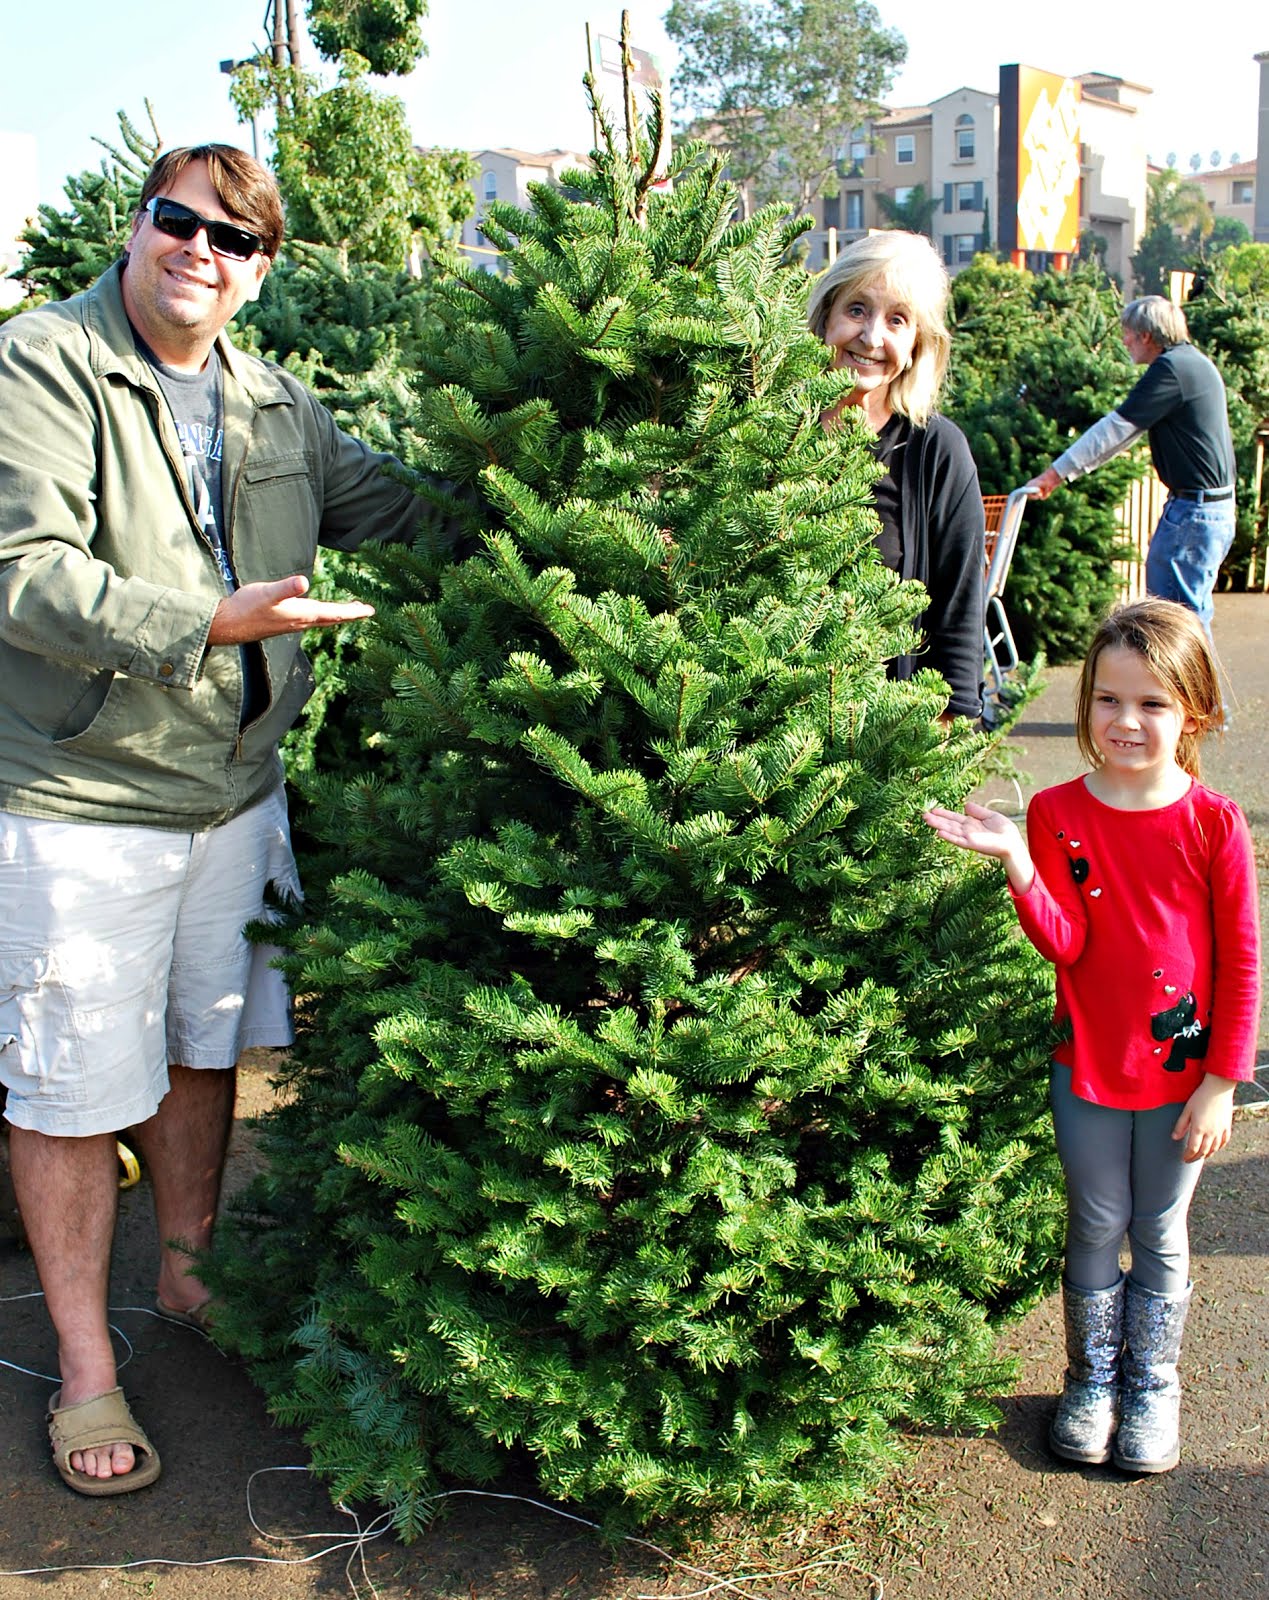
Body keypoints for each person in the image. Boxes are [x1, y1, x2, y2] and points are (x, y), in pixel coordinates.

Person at [0, 145, 431, 1495]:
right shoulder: (41, 365)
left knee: (203, 1046)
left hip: (234, 794)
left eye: (233, 238)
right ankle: (83, 1368)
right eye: (177, 221)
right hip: (83, 799)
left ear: (260, 269)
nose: (201, 249)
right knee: (71, 1088)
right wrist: (206, 622)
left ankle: (189, 1282)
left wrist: (600, 477)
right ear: (137, 227)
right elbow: (22, 573)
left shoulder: (273, 403)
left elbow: (405, 510)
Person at [923, 598, 1260, 1474]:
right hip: (1088, 1071)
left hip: (1185, 1083)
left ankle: (1152, 1383)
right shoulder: (1060, 816)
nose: (1126, 721)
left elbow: (1242, 960)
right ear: (1085, 707)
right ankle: (1090, 1380)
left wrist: (1222, 1080)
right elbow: (1066, 944)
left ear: (1194, 711)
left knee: (1160, 1228)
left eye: (1151, 703)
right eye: (1107, 700)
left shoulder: (1212, 823)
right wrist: (1020, 865)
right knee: (1096, 1218)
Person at [807, 231, 985, 721]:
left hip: (886, 746)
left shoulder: (937, 452)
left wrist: (930, 757)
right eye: (857, 309)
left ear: (917, 344)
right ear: (826, 316)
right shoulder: (772, 428)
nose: (871, 338)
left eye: (897, 320)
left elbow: (959, 614)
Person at [1025, 297, 1236, 636]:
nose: (1124, 341)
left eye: (1128, 334)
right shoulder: (1194, 363)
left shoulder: (1171, 370)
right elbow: (1125, 435)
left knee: (1177, 626)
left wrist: (1055, 473)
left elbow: (1116, 429)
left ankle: (1194, 691)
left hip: (1193, 515)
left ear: (1147, 336)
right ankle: (1191, 690)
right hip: (1209, 511)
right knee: (1188, 618)